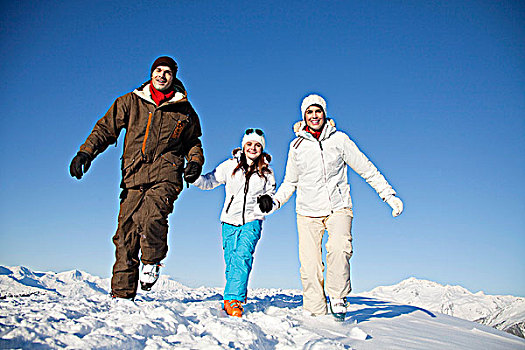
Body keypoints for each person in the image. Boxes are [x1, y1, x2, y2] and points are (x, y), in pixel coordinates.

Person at [69, 56, 204, 300]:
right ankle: (121, 297)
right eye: (158, 70)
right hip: (133, 176)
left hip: (166, 173)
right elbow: (105, 129)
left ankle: (151, 261)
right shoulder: (130, 102)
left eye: (168, 72)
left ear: (173, 78)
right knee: (125, 236)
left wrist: (194, 162)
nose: (162, 75)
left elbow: (193, 142)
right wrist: (86, 153)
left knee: (151, 217)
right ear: (151, 73)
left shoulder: (184, 109)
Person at [260, 94, 403, 321]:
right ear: (304, 116)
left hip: (338, 206)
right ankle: (315, 312)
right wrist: (275, 202)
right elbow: (290, 182)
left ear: (324, 113)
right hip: (307, 211)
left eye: (318, 111)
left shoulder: (340, 140)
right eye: (309, 112)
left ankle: (337, 296)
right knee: (310, 265)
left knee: (339, 247)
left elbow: (366, 168)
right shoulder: (296, 146)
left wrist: (388, 195)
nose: (314, 116)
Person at [193, 128, 275, 317]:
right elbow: (209, 181)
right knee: (231, 261)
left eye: (257, 145)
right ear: (243, 146)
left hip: (252, 220)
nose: (253, 148)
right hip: (229, 220)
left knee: (242, 257)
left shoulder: (267, 172)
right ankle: (234, 296)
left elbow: (270, 194)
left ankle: (233, 300)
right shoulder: (229, 166)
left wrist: (267, 201)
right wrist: (194, 178)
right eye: (249, 144)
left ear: (262, 148)